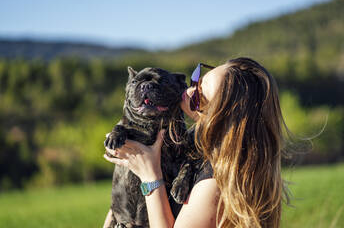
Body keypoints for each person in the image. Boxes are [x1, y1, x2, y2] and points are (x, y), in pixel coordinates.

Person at [104, 57, 288, 228]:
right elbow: (120, 200)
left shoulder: (215, 183)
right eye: (196, 79)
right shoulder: (192, 142)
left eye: (200, 96)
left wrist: (151, 177)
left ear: (222, 120)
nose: (189, 91)